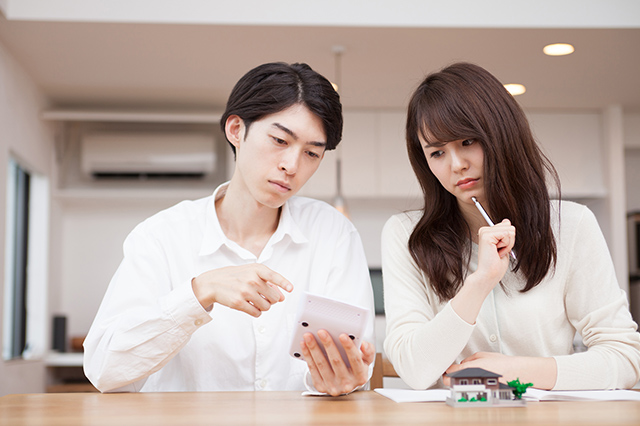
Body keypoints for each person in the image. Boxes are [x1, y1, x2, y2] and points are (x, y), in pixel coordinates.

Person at [83, 62, 376, 396]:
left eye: (311, 153)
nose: (292, 166)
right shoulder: (162, 236)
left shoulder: (331, 233)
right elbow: (104, 370)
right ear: (236, 130)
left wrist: (341, 377)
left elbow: (349, 359)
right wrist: (198, 292)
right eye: (280, 140)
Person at [382, 62, 640, 391]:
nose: (456, 165)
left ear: (502, 134)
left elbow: (626, 358)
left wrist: (517, 371)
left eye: (467, 141)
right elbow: (415, 369)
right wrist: (480, 282)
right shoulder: (406, 235)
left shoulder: (570, 226)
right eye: (437, 153)